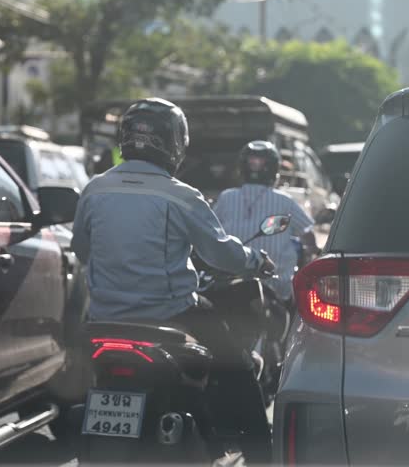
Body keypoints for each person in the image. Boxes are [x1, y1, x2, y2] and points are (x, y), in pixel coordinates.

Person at [71, 98, 274, 464]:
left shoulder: (94, 189)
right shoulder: (180, 195)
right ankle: (263, 456)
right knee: (239, 369)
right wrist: (256, 260)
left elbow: (82, 250)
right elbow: (222, 255)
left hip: (103, 319)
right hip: (169, 315)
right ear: (176, 142)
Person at [213, 141, 315, 304]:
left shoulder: (227, 197)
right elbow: (308, 234)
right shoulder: (285, 201)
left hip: (229, 285)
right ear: (274, 170)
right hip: (276, 288)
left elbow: (212, 233)